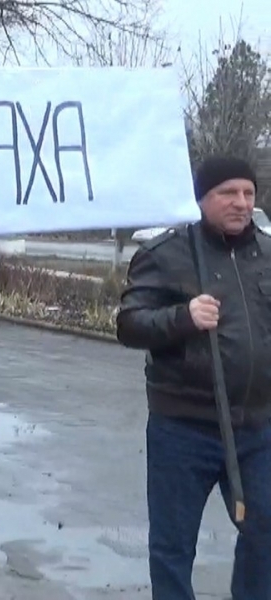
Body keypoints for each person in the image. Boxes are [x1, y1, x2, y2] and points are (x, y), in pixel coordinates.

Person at [116, 155, 271, 600]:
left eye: (248, 193)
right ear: (201, 198)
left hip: (256, 428)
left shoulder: (266, 254)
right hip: (183, 428)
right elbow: (130, 324)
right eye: (228, 193)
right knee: (173, 546)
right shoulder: (167, 254)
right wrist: (183, 316)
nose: (241, 203)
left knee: (264, 533)